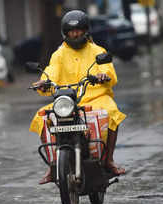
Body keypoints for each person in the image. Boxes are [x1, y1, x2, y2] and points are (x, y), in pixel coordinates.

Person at [29, 10, 126, 185]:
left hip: (96, 97)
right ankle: (53, 166)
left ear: (86, 31)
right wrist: (44, 82)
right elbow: (51, 72)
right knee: (41, 116)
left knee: (112, 111)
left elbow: (108, 70)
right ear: (65, 33)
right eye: (71, 31)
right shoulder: (59, 54)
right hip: (67, 101)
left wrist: (103, 76)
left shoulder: (97, 50)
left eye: (79, 30)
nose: (75, 34)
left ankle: (109, 159)